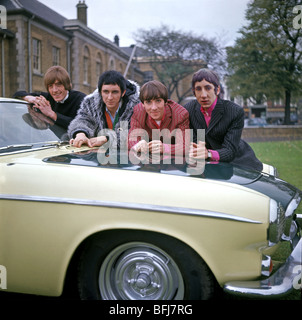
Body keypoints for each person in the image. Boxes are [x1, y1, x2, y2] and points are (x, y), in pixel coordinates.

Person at [184, 68, 263, 171]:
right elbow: (194, 144)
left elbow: (229, 151)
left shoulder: (234, 111)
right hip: (207, 165)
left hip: (239, 163)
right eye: (198, 89)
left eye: (208, 88)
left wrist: (207, 153)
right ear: (194, 92)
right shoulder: (188, 110)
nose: (203, 95)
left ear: (217, 90)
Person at [68, 70, 140, 148]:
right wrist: (80, 133)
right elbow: (83, 119)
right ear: (100, 92)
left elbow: (136, 133)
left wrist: (106, 139)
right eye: (106, 92)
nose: (110, 97)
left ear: (123, 93)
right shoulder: (90, 104)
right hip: (97, 157)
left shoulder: (137, 106)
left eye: (115, 92)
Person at [128, 80, 190, 156]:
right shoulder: (138, 112)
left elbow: (186, 147)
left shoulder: (181, 114)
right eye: (148, 102)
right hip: (147, 164)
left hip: (173, 163)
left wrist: (165, 148)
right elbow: (131, 140)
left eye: (158, 101)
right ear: (143, 104)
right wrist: (138, 145)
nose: (154, 107)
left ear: (165, 102)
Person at [13, 66, 86, 129]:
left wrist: (51, 114)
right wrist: (30, 98)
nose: (54, 90)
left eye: (58, 85)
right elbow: (17, 94)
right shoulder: (47, 97)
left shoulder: (81, 99)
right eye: (50, 86)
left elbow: (82, 125)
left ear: (66, 84)